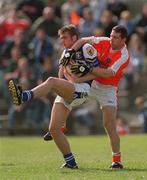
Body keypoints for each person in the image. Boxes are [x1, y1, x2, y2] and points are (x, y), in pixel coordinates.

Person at [8, 24, 99, 169]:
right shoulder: (65, 53)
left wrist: (80, 72)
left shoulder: (86, 48)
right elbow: (61, 76)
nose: (62, 40)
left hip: (82, 89)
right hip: (69, 89)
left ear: (74, 38)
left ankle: (24, 96)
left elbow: (98, 73)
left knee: (50, 81)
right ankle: (71, 162)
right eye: (60, 37)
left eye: (65, 37)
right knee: (54, 130)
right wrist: (67, 68)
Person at [61, 25, 130, 169]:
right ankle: (59, 126)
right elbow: (83, 40)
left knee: (109, 125)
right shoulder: (104, 41)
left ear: (123, 39)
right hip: (92, 82)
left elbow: (109, 73)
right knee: (69, 94)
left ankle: (116, 160)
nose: (111, 39)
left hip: (108, 89)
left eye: (115, 37)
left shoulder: (124, 56)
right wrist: (70, 52)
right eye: (111, 35)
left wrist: (88, 68)